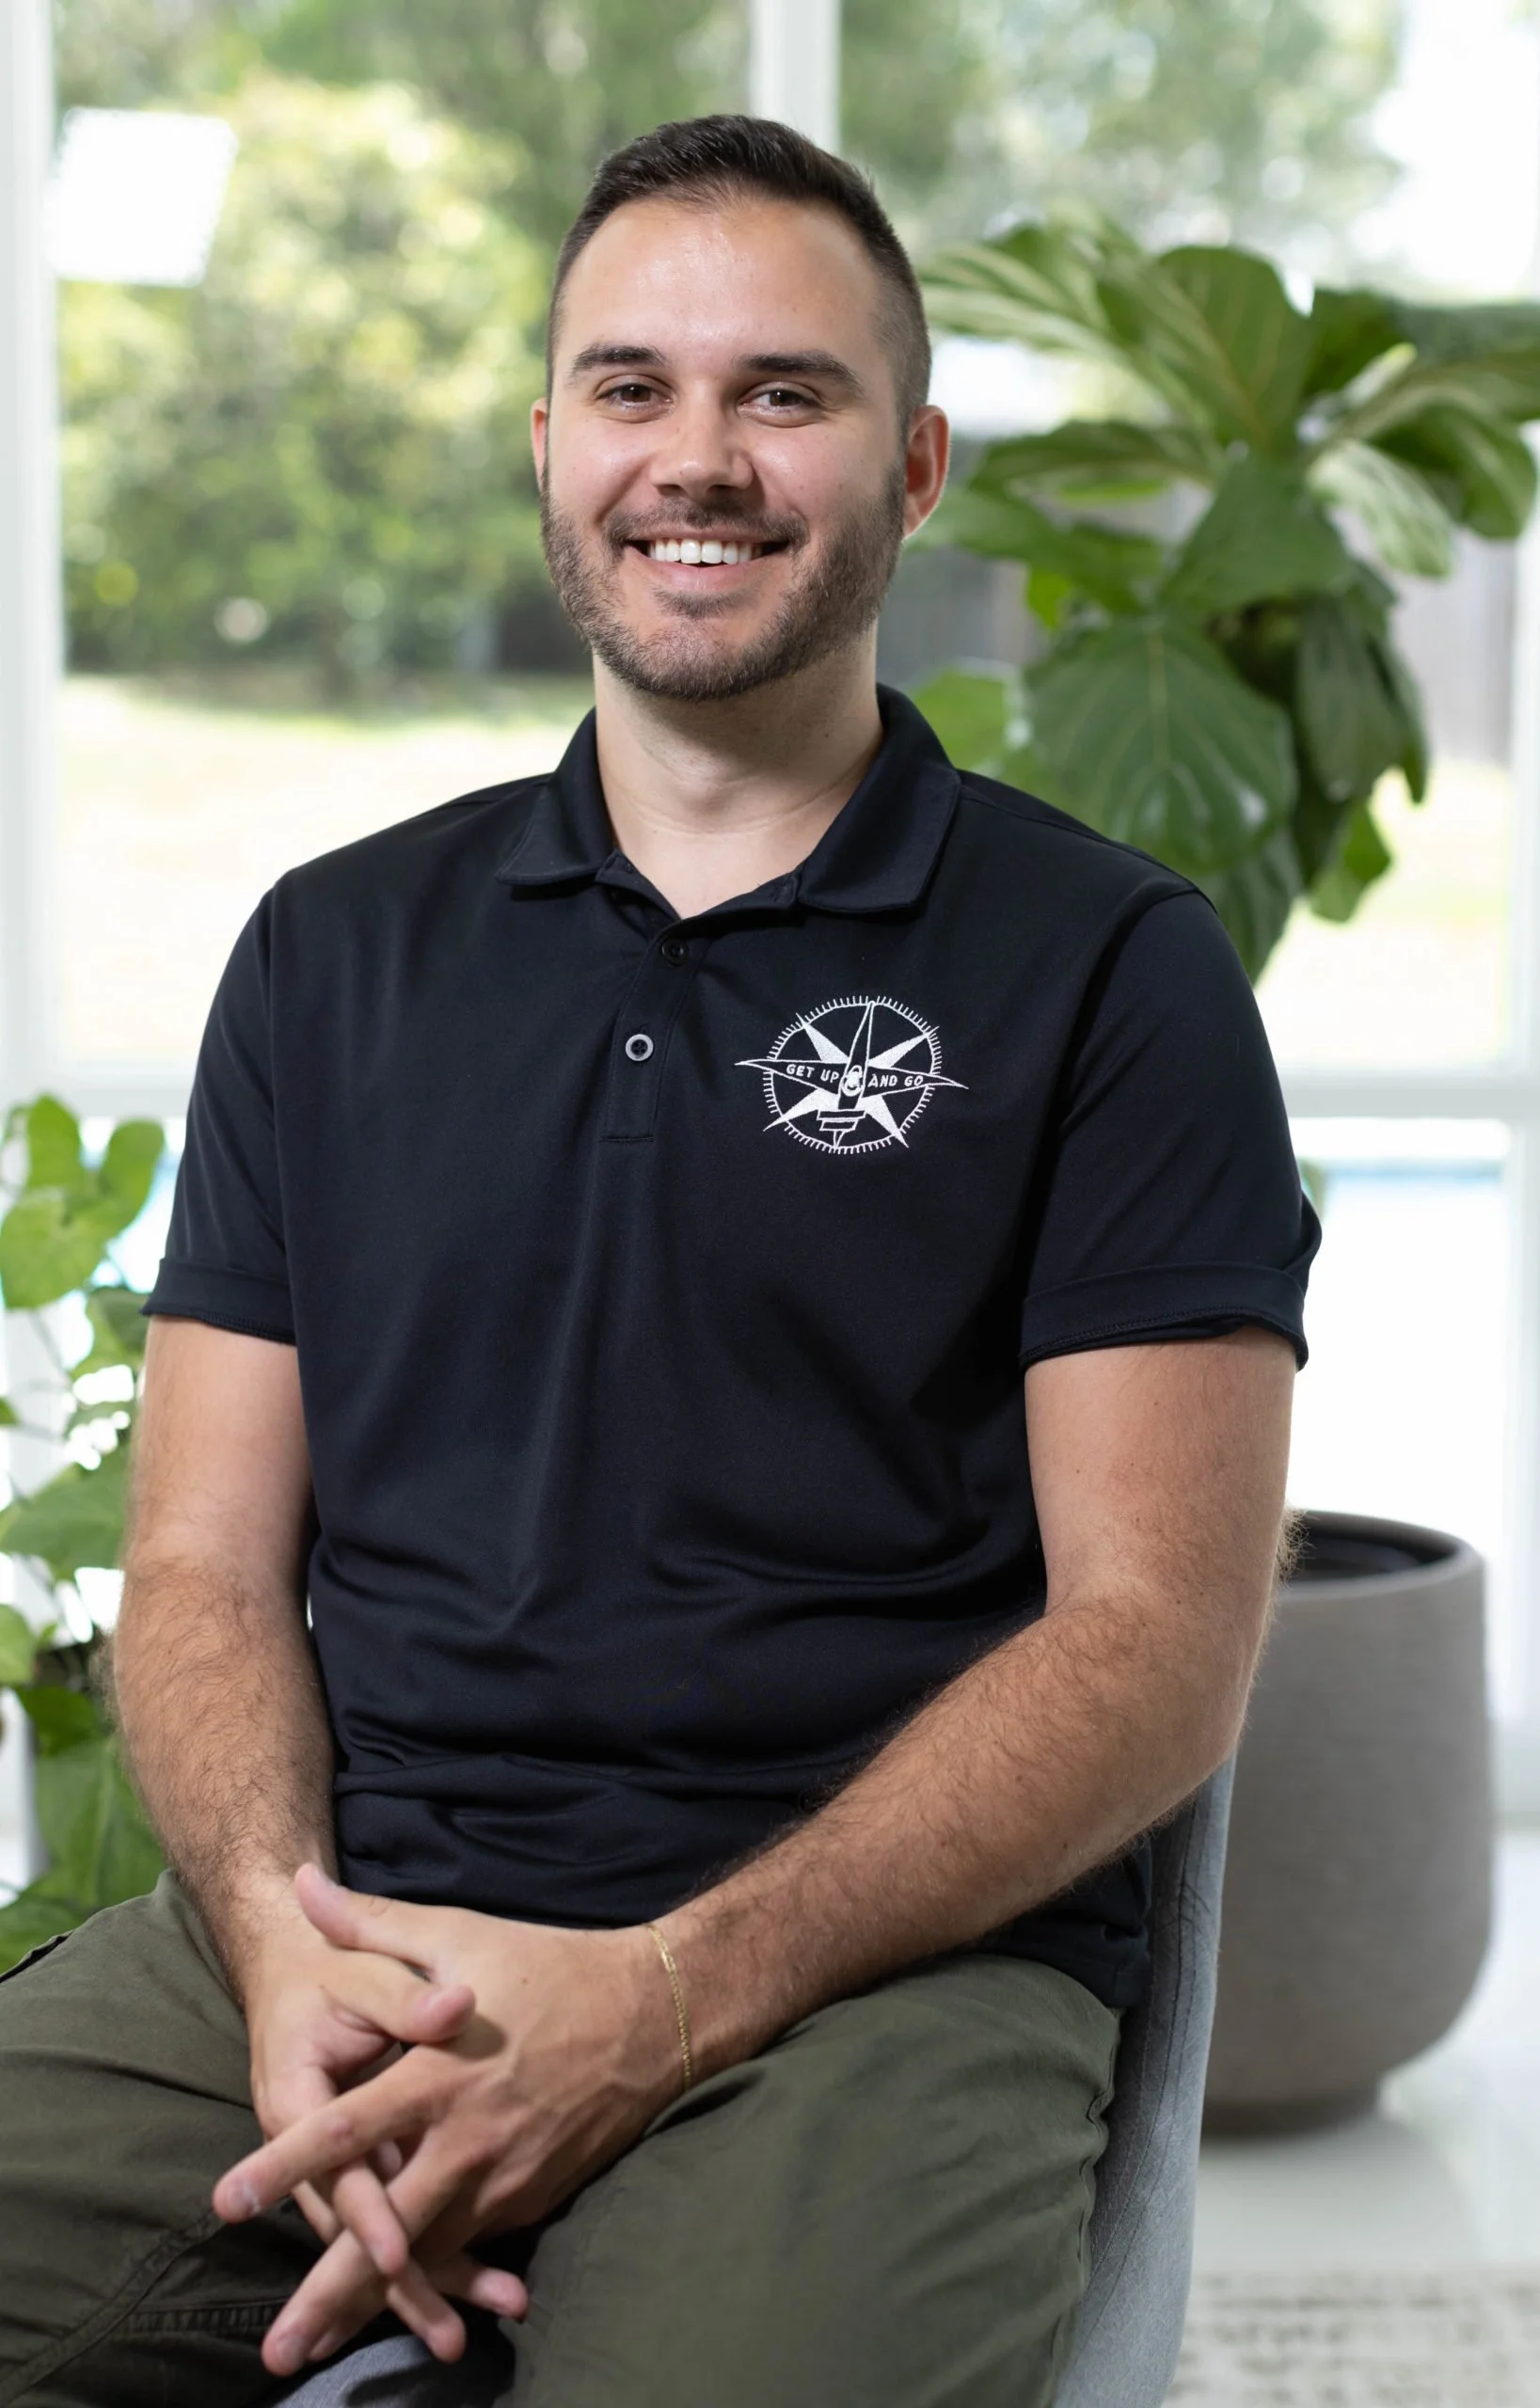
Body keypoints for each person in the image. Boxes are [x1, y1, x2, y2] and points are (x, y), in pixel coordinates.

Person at [0, 115, 1318, 2408]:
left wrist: (673, 1988)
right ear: (546, 444)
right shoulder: (330, 955)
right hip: (340, 1941)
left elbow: (1154, 1640)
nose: (691, 459)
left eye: (778, 395)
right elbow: (201, 1564)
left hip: (860, 1982)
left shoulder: (1108, 968)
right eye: (629, 387)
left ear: (910, 466)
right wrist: (277, 1944)